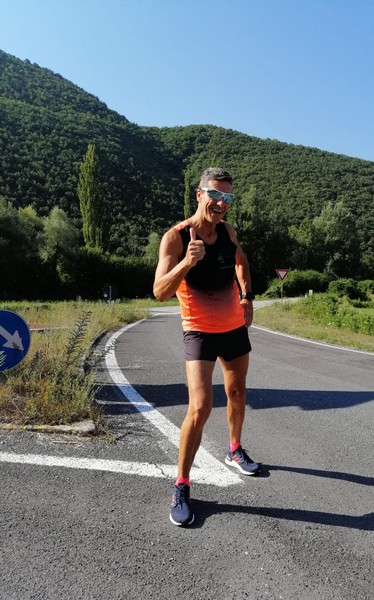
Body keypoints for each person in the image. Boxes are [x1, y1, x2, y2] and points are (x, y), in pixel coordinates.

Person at [153, 167, 259, 526]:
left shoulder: (228, 232)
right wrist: (187, 261)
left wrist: (246, 295)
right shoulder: (176, 237)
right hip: (198, 331)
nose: (221, 203)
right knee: (199, 407)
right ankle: (181, 484)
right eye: (215, 194)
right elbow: (159, 291)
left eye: (228, 197)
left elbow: (241, 261)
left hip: (233, 329)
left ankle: (234, 449)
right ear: (199, 194)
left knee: (238, 392)